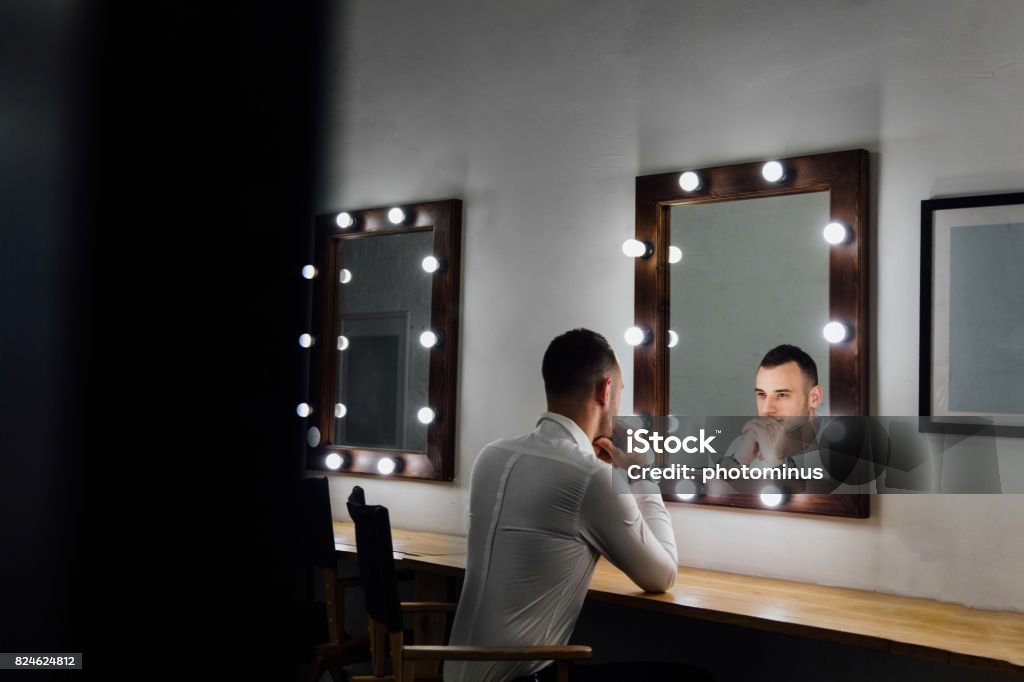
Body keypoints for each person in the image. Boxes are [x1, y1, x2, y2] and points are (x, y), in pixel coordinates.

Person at [444, 329, 698, 682]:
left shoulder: (491, 455)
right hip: (521, 680)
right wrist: (640, 476)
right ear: (605, 390)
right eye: (619, 393)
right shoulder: (591, 477)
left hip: (452, 673)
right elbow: (663, 576)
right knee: (689, 677)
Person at [721, 344, 823, 469]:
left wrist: (776, 461)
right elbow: (712, 488)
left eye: (782, 395)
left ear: (814, 397)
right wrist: (737, 463)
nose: (766, 409)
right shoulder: (745, 444)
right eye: (762, 394)